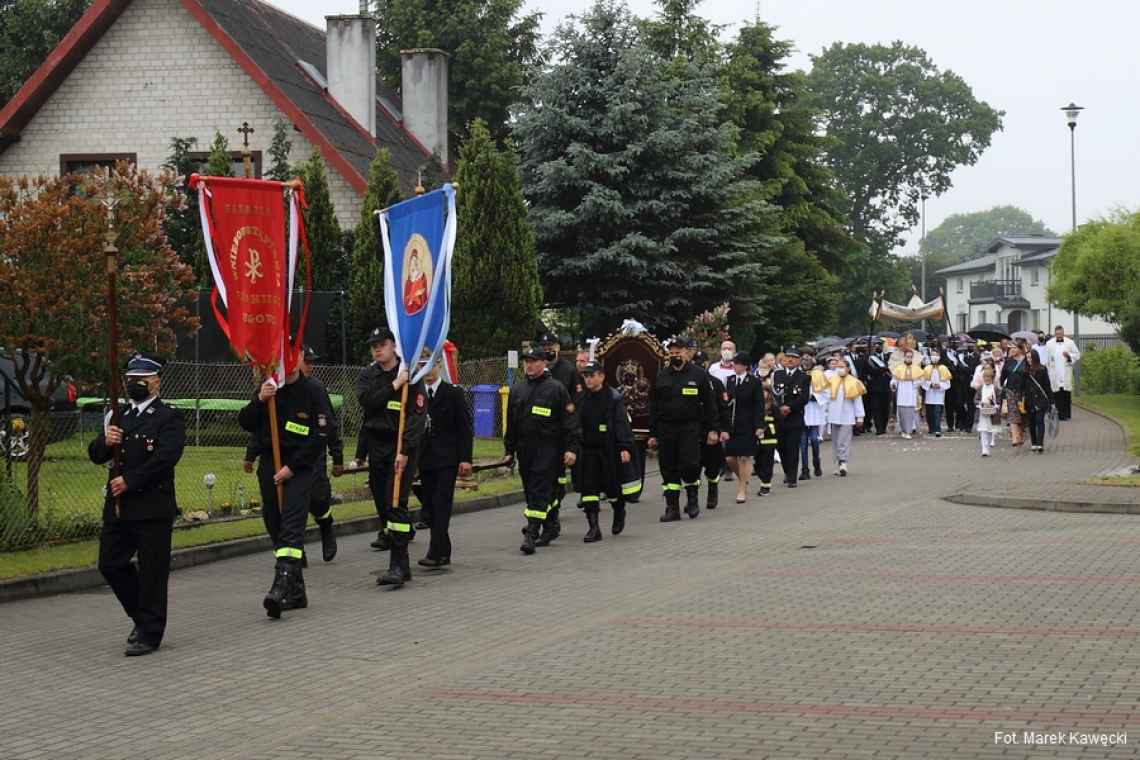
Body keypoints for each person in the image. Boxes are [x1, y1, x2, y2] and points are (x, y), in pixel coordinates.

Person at [89, 354, 185, 656]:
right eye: (131, 380)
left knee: (153, 571)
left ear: (156, 382)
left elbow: (166, 457)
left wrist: (131, 480)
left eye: (142, 379)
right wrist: (107, 441)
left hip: (152, 506)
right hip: (119, 507)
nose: (135, 384)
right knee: (111, 564)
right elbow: (96, 454)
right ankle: (141, 617)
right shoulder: (119, 416)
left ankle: (150, 632)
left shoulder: (168, 417)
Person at [239, 353, 333, 616]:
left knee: (292, 527)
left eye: (295, 354)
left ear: (300, 357)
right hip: (270, 465)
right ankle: (297, 592)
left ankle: (280, 587)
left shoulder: (313, 390)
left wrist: (292, 468)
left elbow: (322, 433)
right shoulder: (269, 387)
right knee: (275, 524)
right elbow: (246, 422)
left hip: (300, 467)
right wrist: (260, 399)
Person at [245, 345, 342, 564]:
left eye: (307, 361)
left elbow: (328, 429)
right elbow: (259, 427)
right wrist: (251, 454)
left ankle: (325, 525)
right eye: (307, 361)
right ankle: (293, 556)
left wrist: (337, 457)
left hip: (309, 457)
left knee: (317, 501)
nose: (310, 365)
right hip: (278, 460)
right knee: (277, 513)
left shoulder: (315, 389)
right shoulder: (270, 387)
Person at [355, 327, 428, 588]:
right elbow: (367, 402)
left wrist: (405, 451)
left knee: (395, 501)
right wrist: (394, 385)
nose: (377, 349)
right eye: (373, 345)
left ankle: (399, 564)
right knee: (382, 501)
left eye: (382, 344)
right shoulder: (369, 374)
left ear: (393, 345)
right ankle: (400, 543)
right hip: (378, 446)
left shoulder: (412, 376)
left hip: (402, 448)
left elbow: (416, 418)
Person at [504, 346, 580, 554]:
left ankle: (531, 533)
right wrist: (509, 450)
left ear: (543, 363)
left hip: (549, 449)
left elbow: (570, 423)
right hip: (524, 450)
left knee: (539, 489)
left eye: (533, 361)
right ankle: (551, 524)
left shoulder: (556, 389)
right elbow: (511, 424)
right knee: (532, 490)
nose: (528, 365)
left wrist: (571, 448)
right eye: (526, 361)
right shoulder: (517, 390)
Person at [648, 338, 718, 520]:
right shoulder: (662, 375)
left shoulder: (699, 375)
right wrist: (653, 433)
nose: (674, 355)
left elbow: (710, 404)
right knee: (668, 467)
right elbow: (653, 406)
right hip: (666, 429)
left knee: (690, 464)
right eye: (671, 353)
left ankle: (692, 500)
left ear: (687, 353)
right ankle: (672, 508)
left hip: (690, 427)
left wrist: (712, 429)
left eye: (678, 352)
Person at [415, 357, 473, 568]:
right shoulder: (416, 393)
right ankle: (444, 551)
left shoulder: (453, 393)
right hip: (425, 459)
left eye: (431, 365)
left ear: (439, 365)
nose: (427, 370)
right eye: (422, 366)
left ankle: (435, 551)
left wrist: (466, 458)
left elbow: (464, 428)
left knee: (441, 504)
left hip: (448, 459)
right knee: (429, 505)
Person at [575, 362, 638, 541]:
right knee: (589, 490)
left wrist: (625, 447)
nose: (588, 379)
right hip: (587, 450)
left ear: (601, 376)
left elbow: (621, 423)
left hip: (608, 449)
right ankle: (593, 528)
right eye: (585, 376)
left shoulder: (613, 397)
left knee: (612, 488)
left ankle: (619, 510)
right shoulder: (580, 398)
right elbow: (574, 423)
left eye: (591, 375)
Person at [535, 331, 582, 545]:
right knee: (548, 480)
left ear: (558, 348)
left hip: (561, 430)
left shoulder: (568, 371)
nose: (547, 351)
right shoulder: (537, 370)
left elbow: (575, 400)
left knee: (556, 477)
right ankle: (548, 520)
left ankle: (550, 518)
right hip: (540, 432)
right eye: (544, 348)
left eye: (551, 347)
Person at [693, 348, 729, 510]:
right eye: (696, 362)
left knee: (712, 466)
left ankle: (712, 492)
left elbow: (723, 409)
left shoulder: (715, 383)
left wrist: (723, 430)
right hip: (693, 430)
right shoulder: (688, 381)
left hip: (711, 430)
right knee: (692, 466)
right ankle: (692, 499)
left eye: (702, 363)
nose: (699, 365)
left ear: (707, 364)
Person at [725, 352, 763, 503]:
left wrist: (759, 425)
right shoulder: (730, 380)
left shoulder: (754, 382)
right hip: (732, 424)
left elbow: (759, 405)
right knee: (730, 458)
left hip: (748, 424)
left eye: (737, 363)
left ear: (745, 365)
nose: (734, 365)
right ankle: (743, 478)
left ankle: (742, 489)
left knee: (744, 457)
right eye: (733, 363)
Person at [771, 347, 811, 488]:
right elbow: (775, 393)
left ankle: (792, 477)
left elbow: (804, 398)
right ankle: (787, 471)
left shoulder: (804, 377)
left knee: (793, 447)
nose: (790, 359)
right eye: (788, 357)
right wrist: (780, 407)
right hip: (780, 417)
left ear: (799, 360)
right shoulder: (778, 374)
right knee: (781, 447)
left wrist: (790, 407)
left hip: (794, 416)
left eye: (793, 357)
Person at [823, 353, 865, 476]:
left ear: (848, 368)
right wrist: (825, 413)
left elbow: (858, 400)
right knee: (835, 441)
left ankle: (843, 462)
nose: (839, 369)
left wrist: (860, 416)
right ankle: (837, 462)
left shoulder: (854, 382)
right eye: (838, 367)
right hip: (834, 415)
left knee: (844, 440)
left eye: (842, 367)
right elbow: (826, 398)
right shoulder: (831, 380)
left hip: (847, 415)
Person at [800, 350, 826, 480]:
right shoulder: (798, 374)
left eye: (808, 358)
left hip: (814, 411)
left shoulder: (819, 374)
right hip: (801, 411)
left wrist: (814, 396)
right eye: (803, 358)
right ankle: (805, 469)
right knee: (803, 443)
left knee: (814, 439)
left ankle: (816, 462)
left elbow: (826, 391)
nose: (805, 361)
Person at [1046, 325, 1080, 421]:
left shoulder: (1070, 342)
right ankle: (1056, 415)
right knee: (1056, 393)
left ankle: (1065, 415)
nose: (1059, 336)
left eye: (1060, 334)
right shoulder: (1049, 344)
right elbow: (1047, 358)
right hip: (1054, 371)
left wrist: (1069, 356)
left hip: (1065, 370)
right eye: (1057, 334)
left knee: (1065, 393)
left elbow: (1077, 354)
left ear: (1063, 333)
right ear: (1055, 334)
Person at [1024, 349, 1054, 453]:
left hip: (1041, 399)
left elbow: (1047, 385)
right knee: (1031, 422)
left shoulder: (1042, 369)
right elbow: (1021, 386)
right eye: (1027, 358)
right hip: (1029, 400)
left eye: (1030, 357)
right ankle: (1034, 442)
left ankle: (1040, 443)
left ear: (1035, 358)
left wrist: (1052, 401)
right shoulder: (1024, 370)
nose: (1028, 360)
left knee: (1039, 420)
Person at [890, 349, 923, 439]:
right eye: (907, 357)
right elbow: (894, 380)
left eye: (910, 357)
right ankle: (903, 429)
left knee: (910, 412)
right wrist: (893, 384)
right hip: (902, 392)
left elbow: (920, 380)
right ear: (904, 357)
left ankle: (908, 430)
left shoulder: (916, 368)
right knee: (901, 412)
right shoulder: (899, 368)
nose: (909, 358)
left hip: (911, 391)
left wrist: (915, 383)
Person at [754, 385, 779, 496]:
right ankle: (763, 479)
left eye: (765, 392)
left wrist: (768, 429)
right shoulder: (755, 407)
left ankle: (766, 485)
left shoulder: (773, 408)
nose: (763, 394)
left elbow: (779, 423)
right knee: (757, 464)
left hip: (769, 440)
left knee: (767, 464)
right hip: (757, 441)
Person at [1001, 344, 1027, 447]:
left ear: (1021, 349)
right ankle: (1015, 437)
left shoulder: (1026, 361)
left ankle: (1020, 434)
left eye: (1015, 347)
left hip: (1023, 391)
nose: (1012, 350)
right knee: (1012, 412)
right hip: (1010, 390)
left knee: (1022, 413)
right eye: (1011, 348)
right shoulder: (1008, 361)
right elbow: (1003, 376)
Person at [921, 348, 951, 438]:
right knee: (929, 412)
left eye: (936, 355)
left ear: (939, 356)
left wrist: (940, 385)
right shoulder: (927, 368)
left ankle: (937, 429)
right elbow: (923, 381)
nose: (934, 357)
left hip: (939, 394)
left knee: (937, 412)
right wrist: (930, 385)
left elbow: (947, 383)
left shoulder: (944, 368)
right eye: (933, 355)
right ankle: (931, 428)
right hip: (929, 394)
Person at [863, 340, 891, 435]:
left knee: (885, 408)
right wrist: (883, 369)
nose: (878, 347)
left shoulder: (887, 357)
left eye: (880, 345)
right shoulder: (870, 358)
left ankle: (884, 427)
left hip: (887, 386)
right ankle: (879, 428)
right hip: (875, 387)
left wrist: (884, 369)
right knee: (876, 408)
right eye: (876, 345)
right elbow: (871, 370)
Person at [975, 366, 1002, 457]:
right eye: (985, 377)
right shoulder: (980, 389)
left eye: (989, 378)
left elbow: (999, 400)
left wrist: (994, 404)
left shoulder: (995, 389)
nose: (986, 379)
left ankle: (988, 446)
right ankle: (984, 449)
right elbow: (975, 399)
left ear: (992, 378)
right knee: (983, 431)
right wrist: (981, 404)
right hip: (982, 413)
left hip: (993, 413)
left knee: (990, 430)